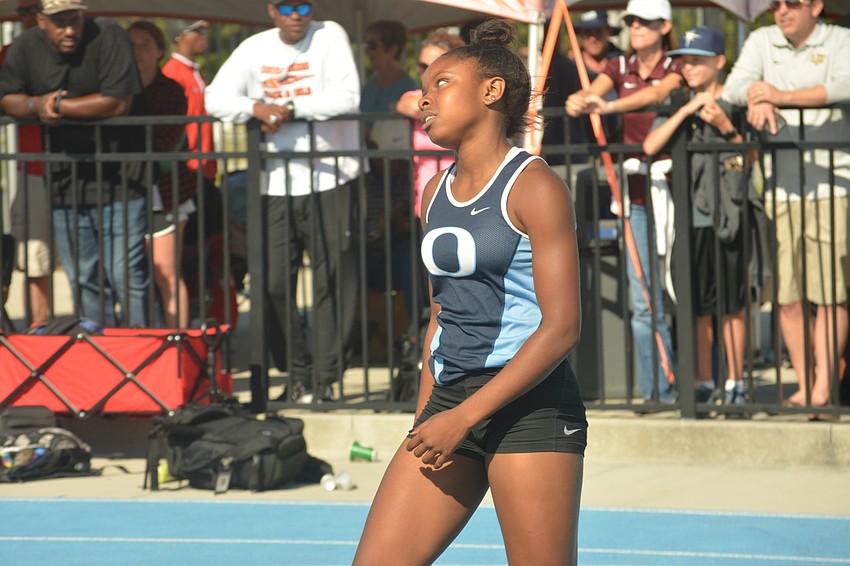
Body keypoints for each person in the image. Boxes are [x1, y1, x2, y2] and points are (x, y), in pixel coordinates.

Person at [354, 19, 586, 565]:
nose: (423, 98)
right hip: (450, 400)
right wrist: (428, 413)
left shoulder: (535, 185)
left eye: (441, 84)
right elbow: (442, 314)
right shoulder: (434, 190)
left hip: (530, 407)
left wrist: (464, 417)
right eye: (423, 86)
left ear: (491, 90)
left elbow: (563, 329)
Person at [205, 0, 361, 403]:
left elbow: (348, 96)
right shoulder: (255, 48)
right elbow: (215, 98)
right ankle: (297, 373)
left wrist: (290, 109)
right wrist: (254, 107)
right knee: (273, 282)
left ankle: (326, 377)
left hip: (332, 175)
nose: (297, 14)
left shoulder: (330, 35)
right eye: (287, 6)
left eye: (305, 5)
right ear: (271, 10)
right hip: (274, 181)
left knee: (331, 280)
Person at [723, 0, 850, 417]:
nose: (780, 10)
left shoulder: (840, 39)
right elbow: (733, 88)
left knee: (831, 295)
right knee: (790, 297)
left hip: (833, 186)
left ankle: (822, 386)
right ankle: (806, 381)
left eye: (791, 3)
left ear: (816, 5)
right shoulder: (762, 39)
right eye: (774, 4)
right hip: (780, 188)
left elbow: (845, 85)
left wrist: (782, 96)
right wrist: (758, 99)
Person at [0, 0, 148, 328]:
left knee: (125, 274)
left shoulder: (108, 35)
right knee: (83, 275)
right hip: (64, 180)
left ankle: (142, 355)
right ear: (40, 20)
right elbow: (6, 97)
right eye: (59, 22)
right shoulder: (24, 48)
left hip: (123, 178)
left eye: (75, 20)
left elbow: (117, 102)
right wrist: (36, 103)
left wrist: (56, 106)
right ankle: (98, 353)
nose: (70, 30)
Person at [565, 0, 683, 405]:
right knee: (642, 298)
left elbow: (657, 93)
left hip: (679, 194)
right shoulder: (618, 66)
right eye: (631, 21)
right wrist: (581, 100)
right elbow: (595, 90)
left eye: (644, 22)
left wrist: (608, 105)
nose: (635, 27)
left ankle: (706, 385)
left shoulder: (678, 65)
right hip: (633, 196)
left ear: (664, 26)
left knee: (686, 292)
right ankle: (658, 392)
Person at [644, 27, 753, 408]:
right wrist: (687, 110)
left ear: (719, 62)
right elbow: (650, 146)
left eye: (697, 59)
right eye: (684, 59)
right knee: (698, 306)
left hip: (731, 217)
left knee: (733, 304)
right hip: (690, 221)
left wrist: (725, 128)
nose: (688, 67)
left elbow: (754, 160)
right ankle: (705, 382)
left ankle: (737, 383)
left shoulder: (736, 104)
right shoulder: (678, 101)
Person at [128, 21, 197, 328]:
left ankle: (176, 345)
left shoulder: (170, 90)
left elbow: (162, 140)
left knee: (166, 272)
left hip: (166, 193)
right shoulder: (116, 87)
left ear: (159, 51)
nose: (137, 51)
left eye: (145, 44)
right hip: (125, 191)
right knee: (130, 273)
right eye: (131, 44)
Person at [360, 20, 416, 318]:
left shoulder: (409, 89)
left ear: (393, 48)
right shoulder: (367, 90)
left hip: (399, 188)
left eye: (373, 45)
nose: (367, 52)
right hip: (371, 185)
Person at [1, 0, 50, 325]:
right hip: (31, 169)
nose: (28, 16)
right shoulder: (10, 53)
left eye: (35, 7)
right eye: (23, 10)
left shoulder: (82, 46)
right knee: (34, 258)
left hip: (80, 169)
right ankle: (38, 336)